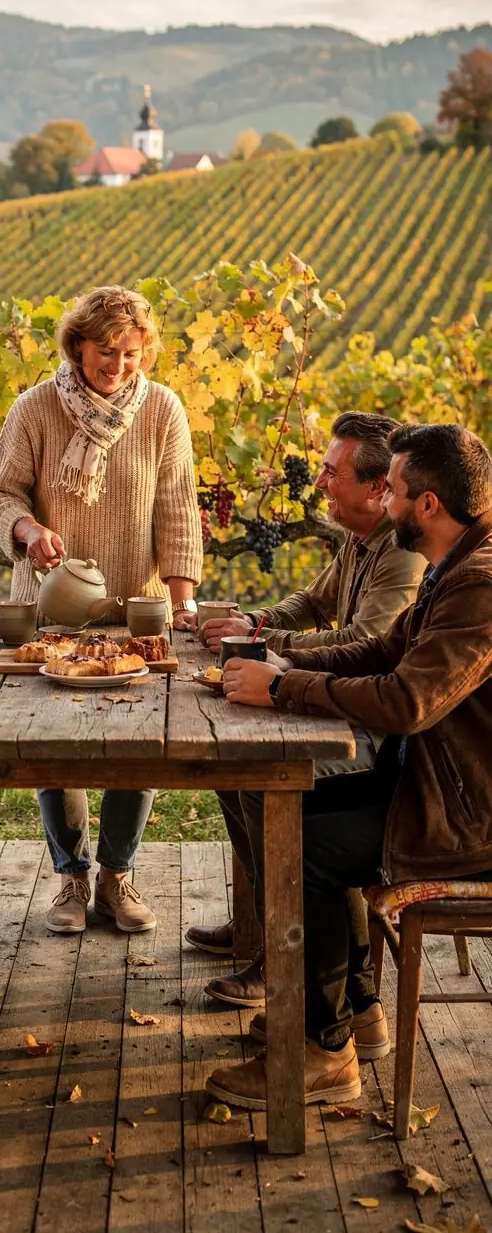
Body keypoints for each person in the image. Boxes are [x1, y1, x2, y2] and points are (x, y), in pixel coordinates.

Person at [206, 423, 492, 1109]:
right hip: (429, 788)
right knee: (287, 806)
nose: (382, 500)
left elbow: (406, 700)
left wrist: (282, 689)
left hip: (469, 820)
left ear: (427, 504)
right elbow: (376, 653)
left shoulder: (480, 586)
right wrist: (279, 664)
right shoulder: (457, 565)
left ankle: (324, 1052)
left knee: (299, 845)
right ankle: (351, 1013)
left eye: (391, 489)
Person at [187, 412, 426, 1044]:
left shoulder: (406, 558)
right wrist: (258, 624)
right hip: (352, 710)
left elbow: (369, 644)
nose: (318, 482)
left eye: (331, 471)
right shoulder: (360, 539)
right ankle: (293, 950)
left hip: (376, 737)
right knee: (237, 776)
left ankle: (298, 973)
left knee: (269, 789)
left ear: (382, 490)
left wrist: (274, 656)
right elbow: (316, 605)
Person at [0, 285, 202, 935]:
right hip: (51, 613)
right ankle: (71, 879)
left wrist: (182, 601)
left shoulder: (162, 410)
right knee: (55, 748)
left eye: (132, 354)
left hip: (135, 614)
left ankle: (116, 877)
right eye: (107, 352)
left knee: (139, 750)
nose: (119, 366)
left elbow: (178, 507)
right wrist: (25, 531)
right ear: (77, 345)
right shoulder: (36, 408)